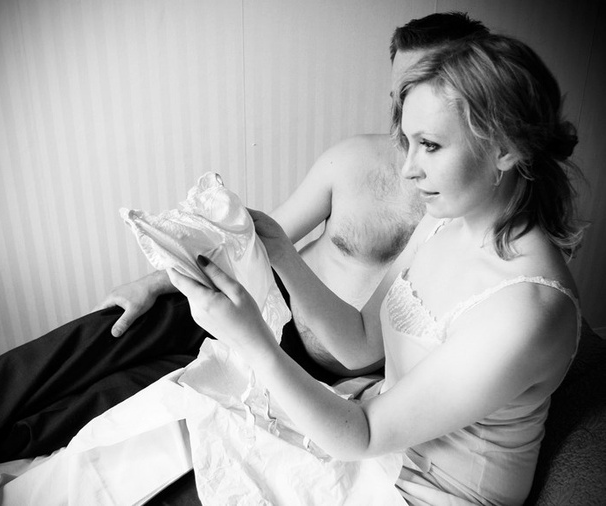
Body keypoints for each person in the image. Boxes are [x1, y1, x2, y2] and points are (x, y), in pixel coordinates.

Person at [0, 13, 489, 478]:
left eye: (420, 91)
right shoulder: (353, 158)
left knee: (112, 400)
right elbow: (259, 237)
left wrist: (271, 291)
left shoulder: (452, 211)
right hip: (253, 293)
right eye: (398, 92)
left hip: (296, 360)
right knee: (102, 334)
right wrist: (155, 282)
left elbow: (363, 347)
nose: (403, 111)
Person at [168, 33, 584, 504]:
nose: (408, 169)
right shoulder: (442, 221)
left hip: (425, 493)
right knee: (169, 433)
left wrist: (252, 339)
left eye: (430, 145)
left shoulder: (527, 310)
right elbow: (360, 342)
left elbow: (362, 435)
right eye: (408, 142)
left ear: (505, 148)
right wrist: (281, 252)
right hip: (377, 451)